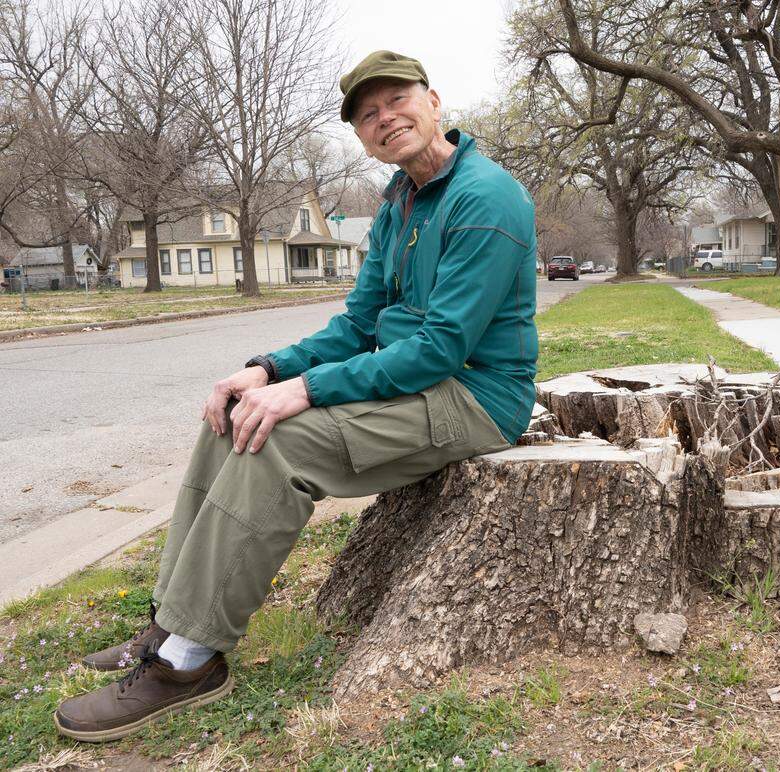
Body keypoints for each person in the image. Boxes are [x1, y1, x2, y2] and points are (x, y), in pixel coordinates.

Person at [53, 50, 539, 742]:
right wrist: (267, 369)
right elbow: (359, 323)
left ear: (434, 100)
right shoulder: (399, 204)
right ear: (362, 137)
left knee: (279, 441)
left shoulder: (484, 198)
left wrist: (303, 392)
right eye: (367, 115)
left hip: (474, 397)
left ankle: (189, 662)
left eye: (395, 100)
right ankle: (169, 622)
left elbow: (439, 350)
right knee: (231, 416)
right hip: (420, 382)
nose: (384, 118)